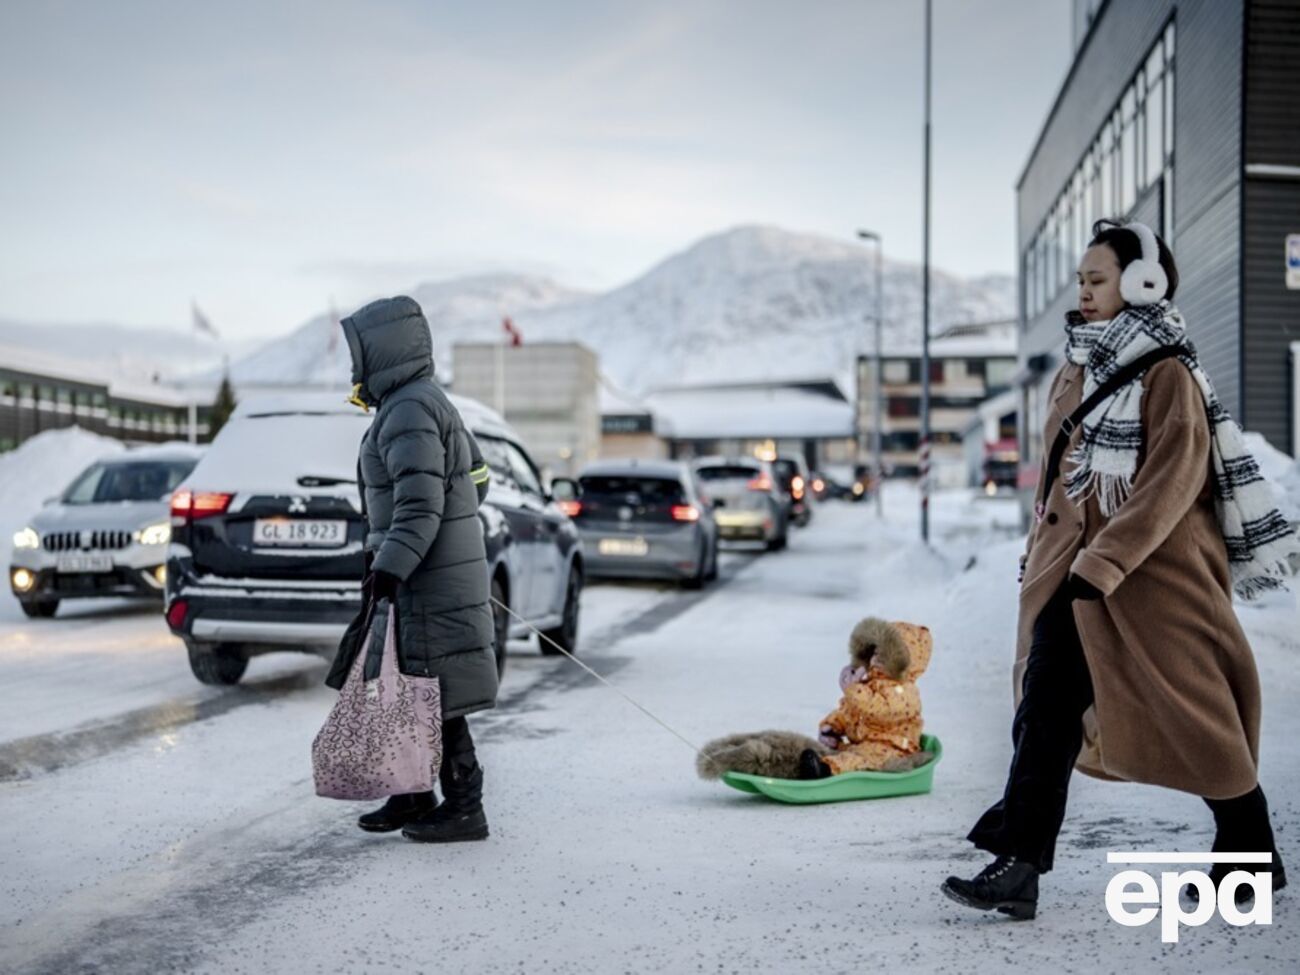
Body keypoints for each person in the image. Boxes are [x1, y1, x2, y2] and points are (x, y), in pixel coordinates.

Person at [942, 220, 1298, 921]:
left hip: (1157, 579)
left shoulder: (1168, 371)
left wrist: (1104, 562)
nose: (1083, 290)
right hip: (1075, 575)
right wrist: (1044, 549)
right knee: (1045, 705)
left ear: (1142, 283)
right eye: (1081, 279)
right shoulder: (1077, 364)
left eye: (1097, 278)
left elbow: (1172, 480)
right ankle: (1020, 863)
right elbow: (1061, 473)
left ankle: (1250, 849)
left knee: (1197, 715)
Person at [330, 295, 498, 843]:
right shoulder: (420, 401)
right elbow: (476, 477)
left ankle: (466, 807)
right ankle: (413, 793)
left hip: (426, 576)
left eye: (358, 352)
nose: (354, 364)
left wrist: (391, 565)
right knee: (407, 686)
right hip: (430, 569)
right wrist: (451, 522)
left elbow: (420, 505)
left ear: (381, 350)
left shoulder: (408, 409)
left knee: (435, 691)